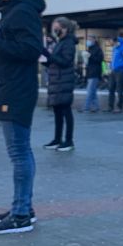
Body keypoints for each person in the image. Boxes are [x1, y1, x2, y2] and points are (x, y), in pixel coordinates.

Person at [0, 0, 46, 235]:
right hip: (11, 86)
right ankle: (23, 207)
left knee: (19, 152)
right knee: (20, 151)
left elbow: (32, 49)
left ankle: (21, 214)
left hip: (16, 89)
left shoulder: (22, 10)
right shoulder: (16, 9)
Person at [43, 16, 79, 152]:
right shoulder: (60, 42)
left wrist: (48, 54)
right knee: (57, 111)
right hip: (57, 81)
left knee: (66, 111)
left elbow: (64, 61)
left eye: (56, 28)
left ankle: (68, 140)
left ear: (64, 28)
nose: (54, 30)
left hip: (64, 81)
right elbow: (54, 61)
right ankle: (57, 139)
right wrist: (45, 59)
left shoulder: (68, 43)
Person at [80, 35, 104, 113]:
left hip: (95, 72)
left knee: (90, 90)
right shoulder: (89, 49)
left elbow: (99, 60)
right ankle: (96, 107)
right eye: (88, 39)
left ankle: (86, 107)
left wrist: (90, 56)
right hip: (90, 72)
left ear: (94, 40)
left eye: (90, 39)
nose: (88, 41)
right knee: (92, 91)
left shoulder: (98, 49)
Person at [109, 37, 123, 113]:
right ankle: (110, 106)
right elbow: (113, 59)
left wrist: (120, 65)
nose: (111, 42)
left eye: (112, 41)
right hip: (113, 71)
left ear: (116, 41)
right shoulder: (115, 48)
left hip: (121, 71)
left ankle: (119, 106)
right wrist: (111, 66)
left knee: (119, 89)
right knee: (111, 88)